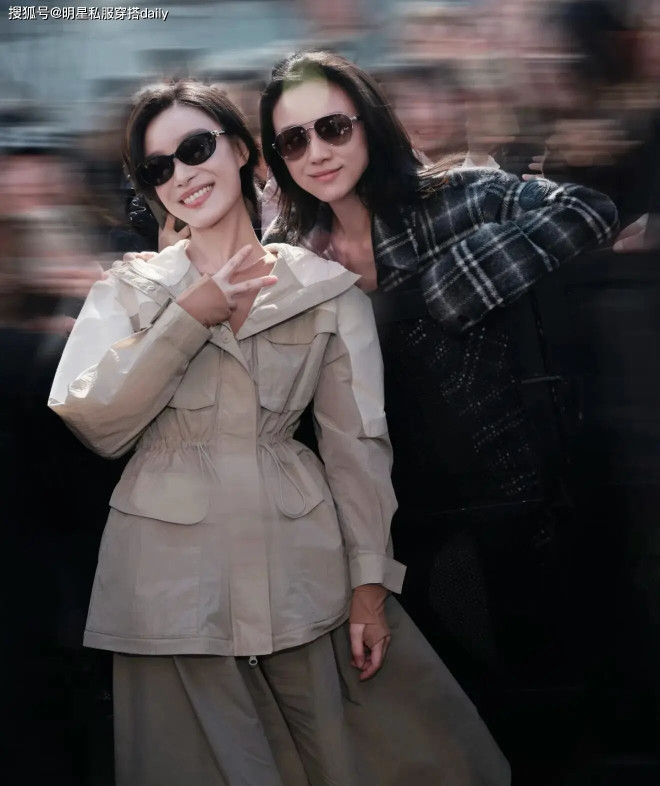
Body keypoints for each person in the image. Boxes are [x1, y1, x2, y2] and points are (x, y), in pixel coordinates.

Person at [48, 80, 510, 786]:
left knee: (379, 759)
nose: (182, 174)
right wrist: (188, 318)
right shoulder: (127, 289)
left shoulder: (325, 289)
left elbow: (358, 447)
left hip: (304, 577)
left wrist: (369, 585)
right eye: (158, 167)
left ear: (240, 149)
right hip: (167, 589)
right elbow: (96, 420)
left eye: (195, 148)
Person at [260, 50, 619, 710]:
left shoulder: (453, 199)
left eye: (333, 128)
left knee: (543, 701)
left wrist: (453, 285)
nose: (317, 152)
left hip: (513, 509)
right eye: (293, 140)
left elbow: (588, 210)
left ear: (369, 123)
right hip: (389, 537)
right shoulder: (288, 259)